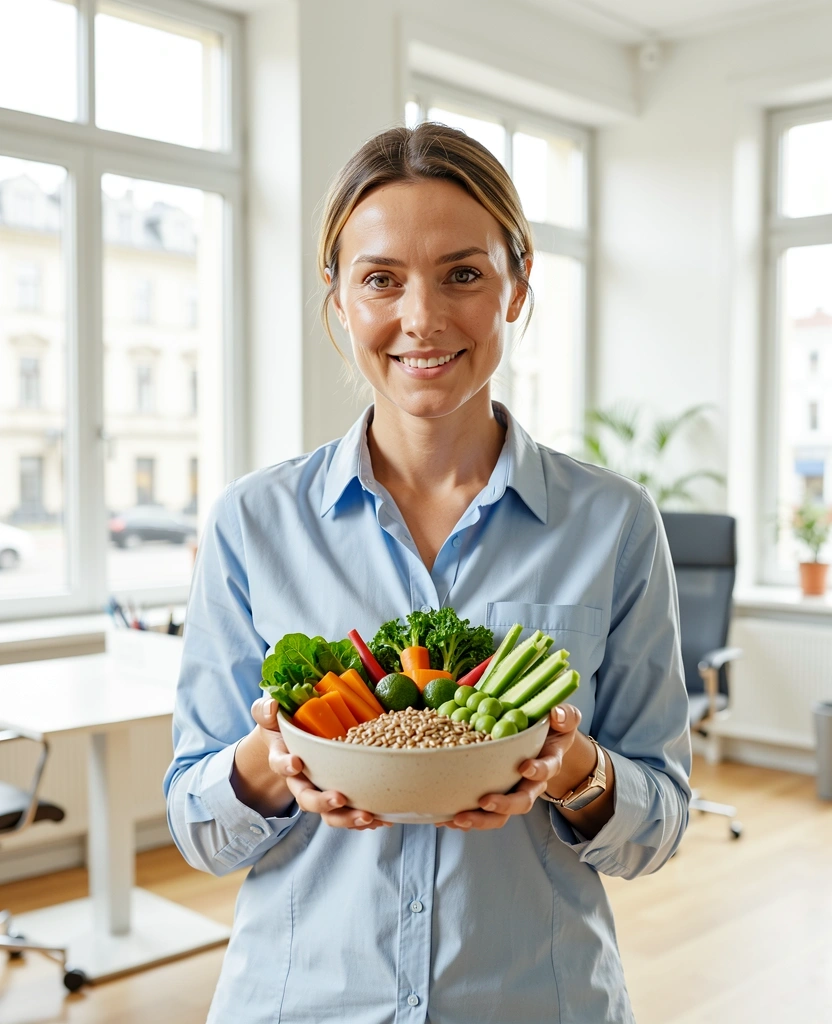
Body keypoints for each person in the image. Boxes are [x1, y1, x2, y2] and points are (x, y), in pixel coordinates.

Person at [164, 123, 692, 1024]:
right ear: (334, 294)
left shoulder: (613, 524)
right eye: (380, 279)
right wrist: (274, 758)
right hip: (303, 1002)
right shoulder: (254, 524)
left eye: (463, 273)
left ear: (517, 286)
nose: (422, 318)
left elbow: (662, 823)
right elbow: (196, 825)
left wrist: (571, 773)